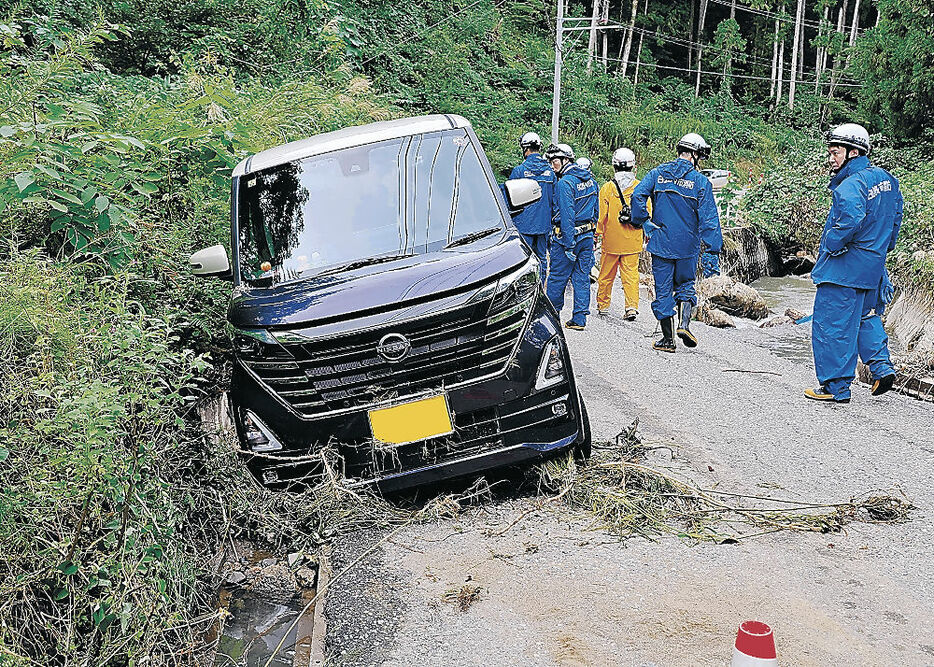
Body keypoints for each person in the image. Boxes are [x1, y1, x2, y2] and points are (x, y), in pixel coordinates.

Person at [805, 123, 903, 403]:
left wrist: (832, 245)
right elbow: (895, 221)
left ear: (854, 151)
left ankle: (835, 387)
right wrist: (881, 250)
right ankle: (882, 368)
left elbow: (849, 219)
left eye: (835, 152)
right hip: (873, 267)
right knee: (865, 316)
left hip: (844, 269)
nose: (830, 158)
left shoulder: (851, 184)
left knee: (831, 325)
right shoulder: (888, 180)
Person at [631, 133, 722, 352]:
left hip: (661, 242)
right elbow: (710, 219)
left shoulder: (658, 173)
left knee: (662, 291)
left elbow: (637, 196)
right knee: (686, 284)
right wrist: (712, 250)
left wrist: (643, 221)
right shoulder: (700, 182)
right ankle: (684, 324)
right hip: (687, 246)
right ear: (694, 155)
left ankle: (668, 340)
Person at [545, 143, 598, 330]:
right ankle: (580, 318)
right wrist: (593, 234)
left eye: (555, 161)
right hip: (586, 236)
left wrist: (568, 245)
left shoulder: (565, 183)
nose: (552, 165)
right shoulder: (591, 180)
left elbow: (567, 215)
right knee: (582, 277)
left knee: (557, 278)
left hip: (567, 238)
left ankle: (551, 316)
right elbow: (595, 209)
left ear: (565, 160)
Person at [595, 147, 646, 321]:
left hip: (611, 241)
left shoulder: (608, 188)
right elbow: (648, 213)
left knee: (606, 275)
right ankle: (631, 306)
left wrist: (597, 234)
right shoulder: (640, 187)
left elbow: (601, 216)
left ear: (614, 166)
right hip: (633, 240)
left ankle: (603, 305)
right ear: (633, 167)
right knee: (631, 275)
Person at [509, 132, 556, 281]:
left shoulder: (519, 171)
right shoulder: (550, 173)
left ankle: (526, 291)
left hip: (524, 224)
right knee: (542, 258)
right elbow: (554, 200)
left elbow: (510, 200)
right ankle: (540, 288)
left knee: (523, 260)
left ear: (525, 149)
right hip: (544, 225)